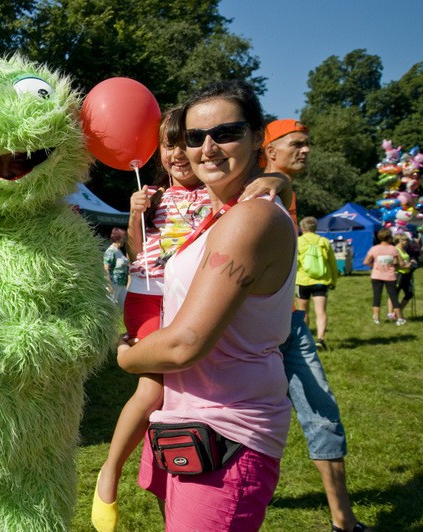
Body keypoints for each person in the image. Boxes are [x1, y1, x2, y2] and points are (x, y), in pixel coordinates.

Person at [92, 107, 290, 532]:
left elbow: (259, 193)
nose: (191, 151)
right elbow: (136, 251)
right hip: (151, 296)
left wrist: (279, 179)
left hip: (226, 424)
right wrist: (134, 215)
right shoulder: (156, 196)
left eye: (222, 134)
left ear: (256, 137)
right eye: (180, 142)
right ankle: (112, 467)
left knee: (153, 384)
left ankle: (110, 470)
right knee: (153, 388)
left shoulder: (227, 201)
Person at [263, 119, 372, 532]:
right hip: (256, 329)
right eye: (297, 143)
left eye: (308, 143)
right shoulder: (258, 185)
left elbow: (281, 186)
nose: (306, 150)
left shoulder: (283, 188)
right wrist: (275, 181)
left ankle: (343, 520)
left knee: (321, 411)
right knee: (243, 416)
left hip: (289, 322)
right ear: (270, 150)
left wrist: (281, 182)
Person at [296, 216, 339, 349]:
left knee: (303, 311)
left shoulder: (298, 241)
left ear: (302, 227)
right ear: (315, 227)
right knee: (321, 311)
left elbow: (294, 263)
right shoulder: (323, 241)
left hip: (302, 281)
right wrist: (333, 280)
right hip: (321, 280)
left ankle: (306, 339)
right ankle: (320, 339)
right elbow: (332, 263)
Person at [364, 227, 406, 325]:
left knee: (377, 297)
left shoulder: (374, 249)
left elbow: (366, 262)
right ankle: (400, 318)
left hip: (376, 275)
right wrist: (396, 264)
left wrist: (374, 265)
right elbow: (401, 263)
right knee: (393, 297)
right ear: (389, 237)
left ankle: (376, 318)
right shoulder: (393, 249)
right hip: (390, 276)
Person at [390, 232, 415, 316]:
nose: (407, 241)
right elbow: (395, 264)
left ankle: (398, 312)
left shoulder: (404, 249)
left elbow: (405, 260)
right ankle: (391, 313)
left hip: (407, 274)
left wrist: (411, 262)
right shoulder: (395, 250)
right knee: (394, 294)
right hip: (399, 274)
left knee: (409, 294)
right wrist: (406, 266)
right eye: (405, 240)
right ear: (400, 240)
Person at [104, 227, 129, 308]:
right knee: (110, 306)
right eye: (124, 237)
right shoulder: (111, 251)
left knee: (126, 305)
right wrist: (109, 284)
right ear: (118, 238)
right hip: (113, 284)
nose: (125, 239)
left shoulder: (119, 251)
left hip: (121, 284)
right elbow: (106, 268)